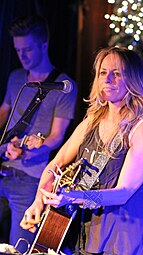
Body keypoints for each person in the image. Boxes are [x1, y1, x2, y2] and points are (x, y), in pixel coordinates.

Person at [20, 46, 143, 255]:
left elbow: (123, 193)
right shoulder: (91, 122)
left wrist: (73, 197)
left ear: (132, 79)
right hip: (84, 234)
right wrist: (38, 201)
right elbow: (55, 165)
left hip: (120, 238)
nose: (107, 79)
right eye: (103, 73)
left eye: (117, 73)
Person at [0, 15, 77, 253]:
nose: (22, 56)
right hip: (3, 169)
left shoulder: (63, 85)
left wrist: (34, 148)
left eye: (28, 49)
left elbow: (56, 137)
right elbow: (3, 115)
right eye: (18, 50)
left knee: (19, 247)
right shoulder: (15, 78)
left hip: (30, 177)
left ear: (44, 45)